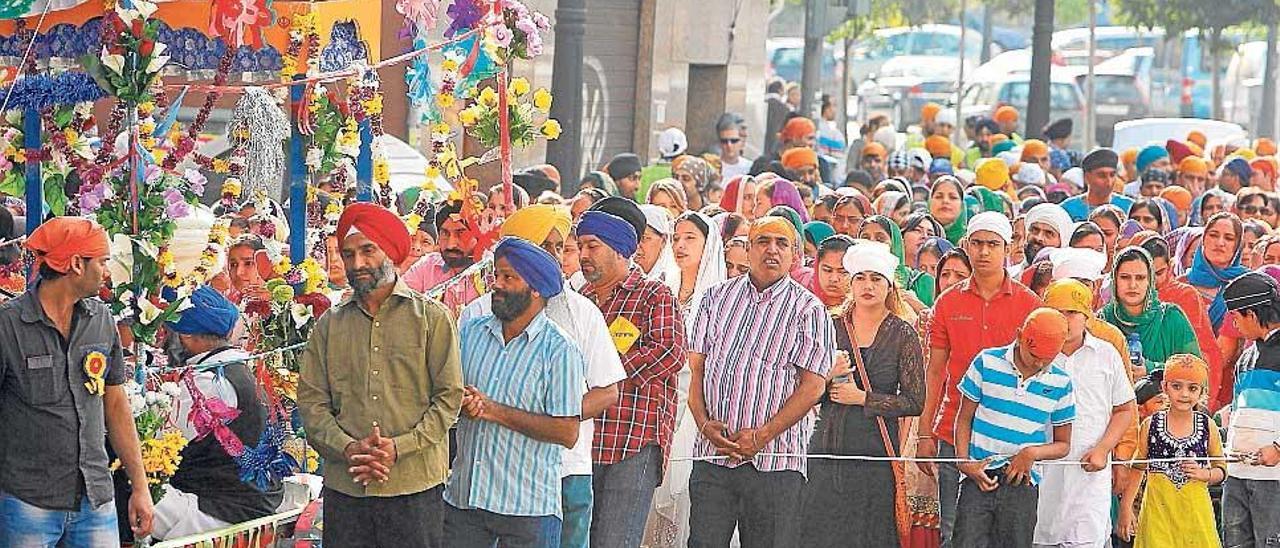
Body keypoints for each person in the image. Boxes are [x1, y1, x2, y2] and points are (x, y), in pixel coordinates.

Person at [298, 203, 465, 548]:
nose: (357, 264)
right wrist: (349, 449)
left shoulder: (432, 319)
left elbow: (449, 399)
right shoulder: (330, 324)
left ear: (389, 251)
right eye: (349, 254)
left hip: (413, 487)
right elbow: (312, 403)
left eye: (367, 251)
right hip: (347, 488)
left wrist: (398, 448)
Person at [459, 206, 626, 548]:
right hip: (477, 480)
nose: (553, 256)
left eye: (559, 247)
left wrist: (546, 414)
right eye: (543, 246)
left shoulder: (579, 316)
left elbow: (606, 392)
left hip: (561, 473)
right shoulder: (476, 318)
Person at [0, 217, 154, 545]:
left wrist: (140, 487)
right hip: (26, 502)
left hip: (95, 498)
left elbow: (116, 405)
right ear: (76, 265)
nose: (107, 271)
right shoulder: (8, 326)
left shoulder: (101, 320)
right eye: (102, 261)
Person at [686, 216, 836, 547]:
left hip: (776, 462)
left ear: (796, 253)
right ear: (748, 248)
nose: (772, 250)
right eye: (763, 241)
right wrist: (703, 423)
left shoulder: (809, 310)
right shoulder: (715, 299)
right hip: (714, 455)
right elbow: (696, 370)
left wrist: (761, 436)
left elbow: (813, 387)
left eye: (782, 244)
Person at [445, 238, 586, 547]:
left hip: (527, 512)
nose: (497, 284)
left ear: (535, 288)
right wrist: (462, 402)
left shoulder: (559, 350)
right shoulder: (470, 331)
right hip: (465, 501)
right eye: (496, 275)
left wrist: (494, 411)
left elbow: (567, 431)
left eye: (508, 277)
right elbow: (445, 397)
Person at [917, 212, 1043, 546]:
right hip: (953, 432)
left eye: (992, 244)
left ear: (1008, 248)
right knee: (953, 533)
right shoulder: (947, 302)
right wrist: (924, 433)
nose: (984, 252)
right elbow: (935, 371)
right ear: (966, 245)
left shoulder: (1030, 304)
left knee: (1008, 537)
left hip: (1010, 439)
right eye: (977, 243)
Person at [800, 239, 924, 547]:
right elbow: (802, 392)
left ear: (889, 285)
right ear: (850, 283)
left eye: (876, 278)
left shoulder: (902, 332)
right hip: (826, 449)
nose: (868, 285)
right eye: (860, 278)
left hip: (875, 456)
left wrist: (862, 398)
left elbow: (915, 401)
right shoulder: (830, 326)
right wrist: (826, 376)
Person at [576, 210, 687, 548]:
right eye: (579, 246)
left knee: (616, 541)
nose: (582, 256)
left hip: (634, 441)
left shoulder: (654, 295)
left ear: (620, 249)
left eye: (592, 246)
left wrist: (605, 378)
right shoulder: (580, 300)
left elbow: (669, 351)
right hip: (582, 441)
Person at [153, 286, 284, 540]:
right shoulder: (244, 367)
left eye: (172, 332)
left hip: (223, 509)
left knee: (129, 483)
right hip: (253, 499)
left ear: (189, 337)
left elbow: (161, 439)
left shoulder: (210, 380)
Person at [952, 308, 1075, 548]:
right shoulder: (987, 362)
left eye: (1047, 358)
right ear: (1020, 336)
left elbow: (1063, 445)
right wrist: (963, 461)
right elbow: (964, 418)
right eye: (1034, 354)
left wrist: (1031, 453)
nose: (1039, 363)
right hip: (979, 475)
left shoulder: (1061, 382)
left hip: (1022, 481)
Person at [643, 211, 727, 548]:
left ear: (708, 244)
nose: (680, 244)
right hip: (660, 402)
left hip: (698, 406)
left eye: (690, 237)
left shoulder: (719, 297)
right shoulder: (660, 288)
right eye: (676, 237)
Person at [1035, 280, 1138, 548]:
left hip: (1089, 472)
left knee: (1086, 538)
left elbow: (1125, 408)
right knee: (1039, 534)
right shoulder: (1033, 356)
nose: (1065, 320)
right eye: (1057, 312)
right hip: (1040, 471)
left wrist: (1103, 449)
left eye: (1072, 312)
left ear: (1086, 315)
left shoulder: (1106, 355)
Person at [1118, 355, 1226, 548]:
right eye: (1177, 386)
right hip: (1157, 512)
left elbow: (1221, 469)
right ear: (1165, 387)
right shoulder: (1150, 425)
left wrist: (1204, 474)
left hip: (1195, 513)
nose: (1184, 394)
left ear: (1202, 392)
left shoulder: (1207, 426)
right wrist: (1126, 508)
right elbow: (1137, 468)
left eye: (1192, 388)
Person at [1221, 273, 1280, 548]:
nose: (1234, 324)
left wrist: (1278, 449)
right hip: (1237, 473)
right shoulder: (1245, 357)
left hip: (1273, 479)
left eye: (1236, 316)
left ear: (1253, 314)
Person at [1100, 246, 1201, 373]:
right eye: (1125, 277)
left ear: (1150, 281)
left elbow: (1194, 370)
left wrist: (1151, 369)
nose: (1132, 285)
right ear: (1114, 280)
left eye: (1140, 278)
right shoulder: (1103, 320)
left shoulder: (1170, 318)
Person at [404, 201, 484, 314]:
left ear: (478, 235)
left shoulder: (489, 275)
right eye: (445, 233)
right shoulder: (428, 265)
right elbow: (400, 305)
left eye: (461, 234)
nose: (451, 244)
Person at [1062, 149, 1135, 222]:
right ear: (1086, 177)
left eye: (1112, 175)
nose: (1108, 182)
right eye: (1102, 176)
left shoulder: (1130, 207)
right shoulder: (1068, 209)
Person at [806, 235, 855, 309]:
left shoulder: (863, 310)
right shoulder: (803, 306)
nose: (834, 279)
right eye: (827, 270)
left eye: (843, 272)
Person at [225, 235, 270, 303]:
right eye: (233, 264)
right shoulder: (228, 300)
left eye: (248, 263)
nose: (238, 273)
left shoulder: (285, 305)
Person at [930, 175, 970, 245]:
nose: (945, 201)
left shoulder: (970, 243)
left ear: (962, 205)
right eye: (939, 197)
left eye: (953, 197)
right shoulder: (920, 238)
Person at [717, 113, 752, 181]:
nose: (729, 145)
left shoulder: (750, 168)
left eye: (734, 141)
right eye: (724, 141)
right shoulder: (712, 166)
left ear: (742, 141)